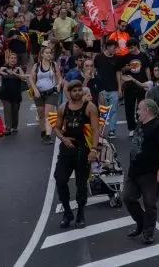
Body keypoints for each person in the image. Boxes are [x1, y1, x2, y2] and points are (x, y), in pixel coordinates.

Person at [122, 99, 159, 245]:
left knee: (149, 203)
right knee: (128, 197)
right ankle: (141, 222)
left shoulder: (158, 125)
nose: (137, 112)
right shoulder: (140, 123)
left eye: (139, 109)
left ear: (147, 110)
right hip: (135, 171)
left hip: (150, 172)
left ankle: (148, 232)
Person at [52, 80, 100, 229]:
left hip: (83, 149)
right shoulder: (62, 108)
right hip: (67, 149)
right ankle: (67, 212)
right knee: (60, 179)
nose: (78, 93)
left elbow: (95, 129)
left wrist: (93, 149)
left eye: (80, 90)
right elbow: (57, 128)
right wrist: (63, 138)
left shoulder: (90, 107)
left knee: (81, 185)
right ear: (69, 92)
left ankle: (80, 213)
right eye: (75, 91)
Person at [118, 39, 152, 137]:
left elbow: (147, 68)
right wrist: (126, 68)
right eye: (128, 48)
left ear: (136, 46)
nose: (130, 50)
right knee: (129, 107)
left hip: (141, 84)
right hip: (129, 85)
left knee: (141, 107)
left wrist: (149, 82)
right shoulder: (125, 57)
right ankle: (131, 128)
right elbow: (121, 70)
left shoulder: (143, 56)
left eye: (132, 47)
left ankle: (140, 126)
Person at [29, 45, 61, 145]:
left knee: (48, 114)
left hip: (51, 92)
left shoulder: (54, 65)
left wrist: (59, 85)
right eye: (46, 53)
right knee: (41, 113)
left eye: (50, 53)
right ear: (42, 54)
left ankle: (48, 135)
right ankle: (43, 132)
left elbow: (59, 77)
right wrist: (35, 90)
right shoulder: (36, 66)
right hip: (39, 93)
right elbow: (31, 79)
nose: (48, 54)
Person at [0, 52, 26, 135]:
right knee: (7, 110)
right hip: (5, 94)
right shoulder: (3, 68)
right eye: (11, 58)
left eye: (15, 58)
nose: (13, 60)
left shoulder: (19, 68)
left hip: (16, 93)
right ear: (8, 59)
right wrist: (0, 72)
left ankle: (14, 126)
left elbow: (23, 77)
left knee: (15, 110)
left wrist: (14, 73)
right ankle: (7, 128)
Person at [95, 39, 121, 137]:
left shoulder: (117, 59)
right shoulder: (99, 57)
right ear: (108, 47)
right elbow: (95, 71)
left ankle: (112, 130)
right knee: (102, 110)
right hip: (102, 89)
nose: (115, 50)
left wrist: (119, 88)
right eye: (114, 47)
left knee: (113, 110)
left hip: (114, 88)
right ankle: (101, 130)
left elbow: (118, 73)